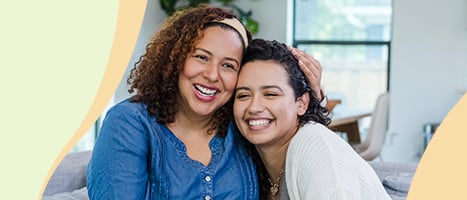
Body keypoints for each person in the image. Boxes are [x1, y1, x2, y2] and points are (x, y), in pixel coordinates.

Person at [86, 5, 325, 200]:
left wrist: (309, 98)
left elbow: (296, 158)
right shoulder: (129, 124)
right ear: (175, 59)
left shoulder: (243, 125)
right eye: (201, 57)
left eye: (228, 65)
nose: (212, 75)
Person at [233, 39, 391, 200]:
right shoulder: (252, 164)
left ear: (301, 103)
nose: (254, 107)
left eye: (271, 94)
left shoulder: (314, 147)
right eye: (243, 95)